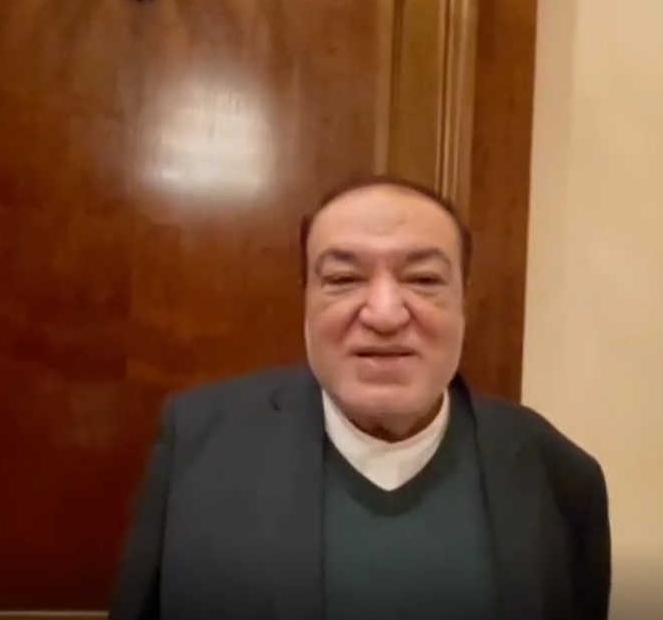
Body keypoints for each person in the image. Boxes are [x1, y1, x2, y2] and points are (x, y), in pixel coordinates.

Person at [108, 175, 611, 620]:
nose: (385, 314)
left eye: (424, 279)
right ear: (306, 301)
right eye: (344, 279)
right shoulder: (201, 445)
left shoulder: (557, 474)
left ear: (464, 302)